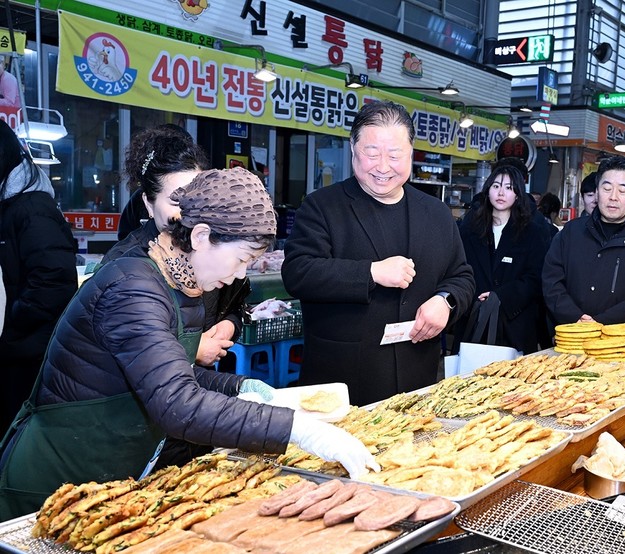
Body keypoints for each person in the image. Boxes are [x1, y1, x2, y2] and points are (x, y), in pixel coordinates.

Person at [0, 167, 377, 521]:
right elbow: (176, 402)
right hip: (52, 480)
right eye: (241, 259)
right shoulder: (133, 288)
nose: (239, 275)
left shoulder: (183, 285)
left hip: (110, 473)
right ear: (200, 236)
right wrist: (297, 429)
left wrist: (242, 388)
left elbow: (171, 372)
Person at [282, 101, 475, 406]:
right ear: (353, 149)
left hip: (418, 376)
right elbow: (298, 272)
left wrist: (446, 301)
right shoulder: (322, 206)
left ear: (410, 153)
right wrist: (370, 272)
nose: (383, 167)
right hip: (343, 380)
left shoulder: (436, 213)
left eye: (395, 155)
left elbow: (462, 276)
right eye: (372, 154)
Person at [101, 125, 244, 371]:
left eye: (198, 197)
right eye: (175, 201)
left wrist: (230, 324)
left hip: (199, 382)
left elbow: (234, 299)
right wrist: (192, 349)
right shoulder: (123, 264)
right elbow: (121, 349)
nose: (190, 210)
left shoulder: (211, 242)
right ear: (148, 203)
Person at [0, 120, 78, 433]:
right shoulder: (10, 202)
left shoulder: (31, 206)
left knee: (16, 434)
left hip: (28, 351)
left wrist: (12, 322)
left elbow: (54, 279)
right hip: (16, 347)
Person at [542, 155, 625, 325]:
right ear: (597, 192)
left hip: (622, 337)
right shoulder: (571, 231)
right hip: (571, 331)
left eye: (622, 190)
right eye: (607, 188)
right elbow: (551, 280)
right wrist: (575, 317)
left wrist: (601, 323)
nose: (613, 197)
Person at [458, 164, 550, 354]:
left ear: (518, 194)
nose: (501, 193)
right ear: (488, 190)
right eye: (496, 186)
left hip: (514, 323)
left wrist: (501, 296)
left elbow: (536, 277)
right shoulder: (469, 229)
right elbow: (459, 269)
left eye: (509, 187)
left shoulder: (532, 232)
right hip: (474, 319)